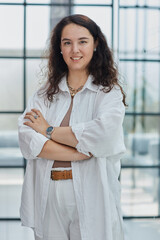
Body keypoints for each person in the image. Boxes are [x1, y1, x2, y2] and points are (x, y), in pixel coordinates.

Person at [18, 14, 126, 240]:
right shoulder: (44, 93)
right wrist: (77, 153)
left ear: (96, 44)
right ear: (59, 48)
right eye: (67, 42)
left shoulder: (108, 93)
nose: (74, 49)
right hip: (49, 192)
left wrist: (49, 130)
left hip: (91, 191)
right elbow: (28, 138)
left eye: (82, 41)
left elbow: (103, 136)